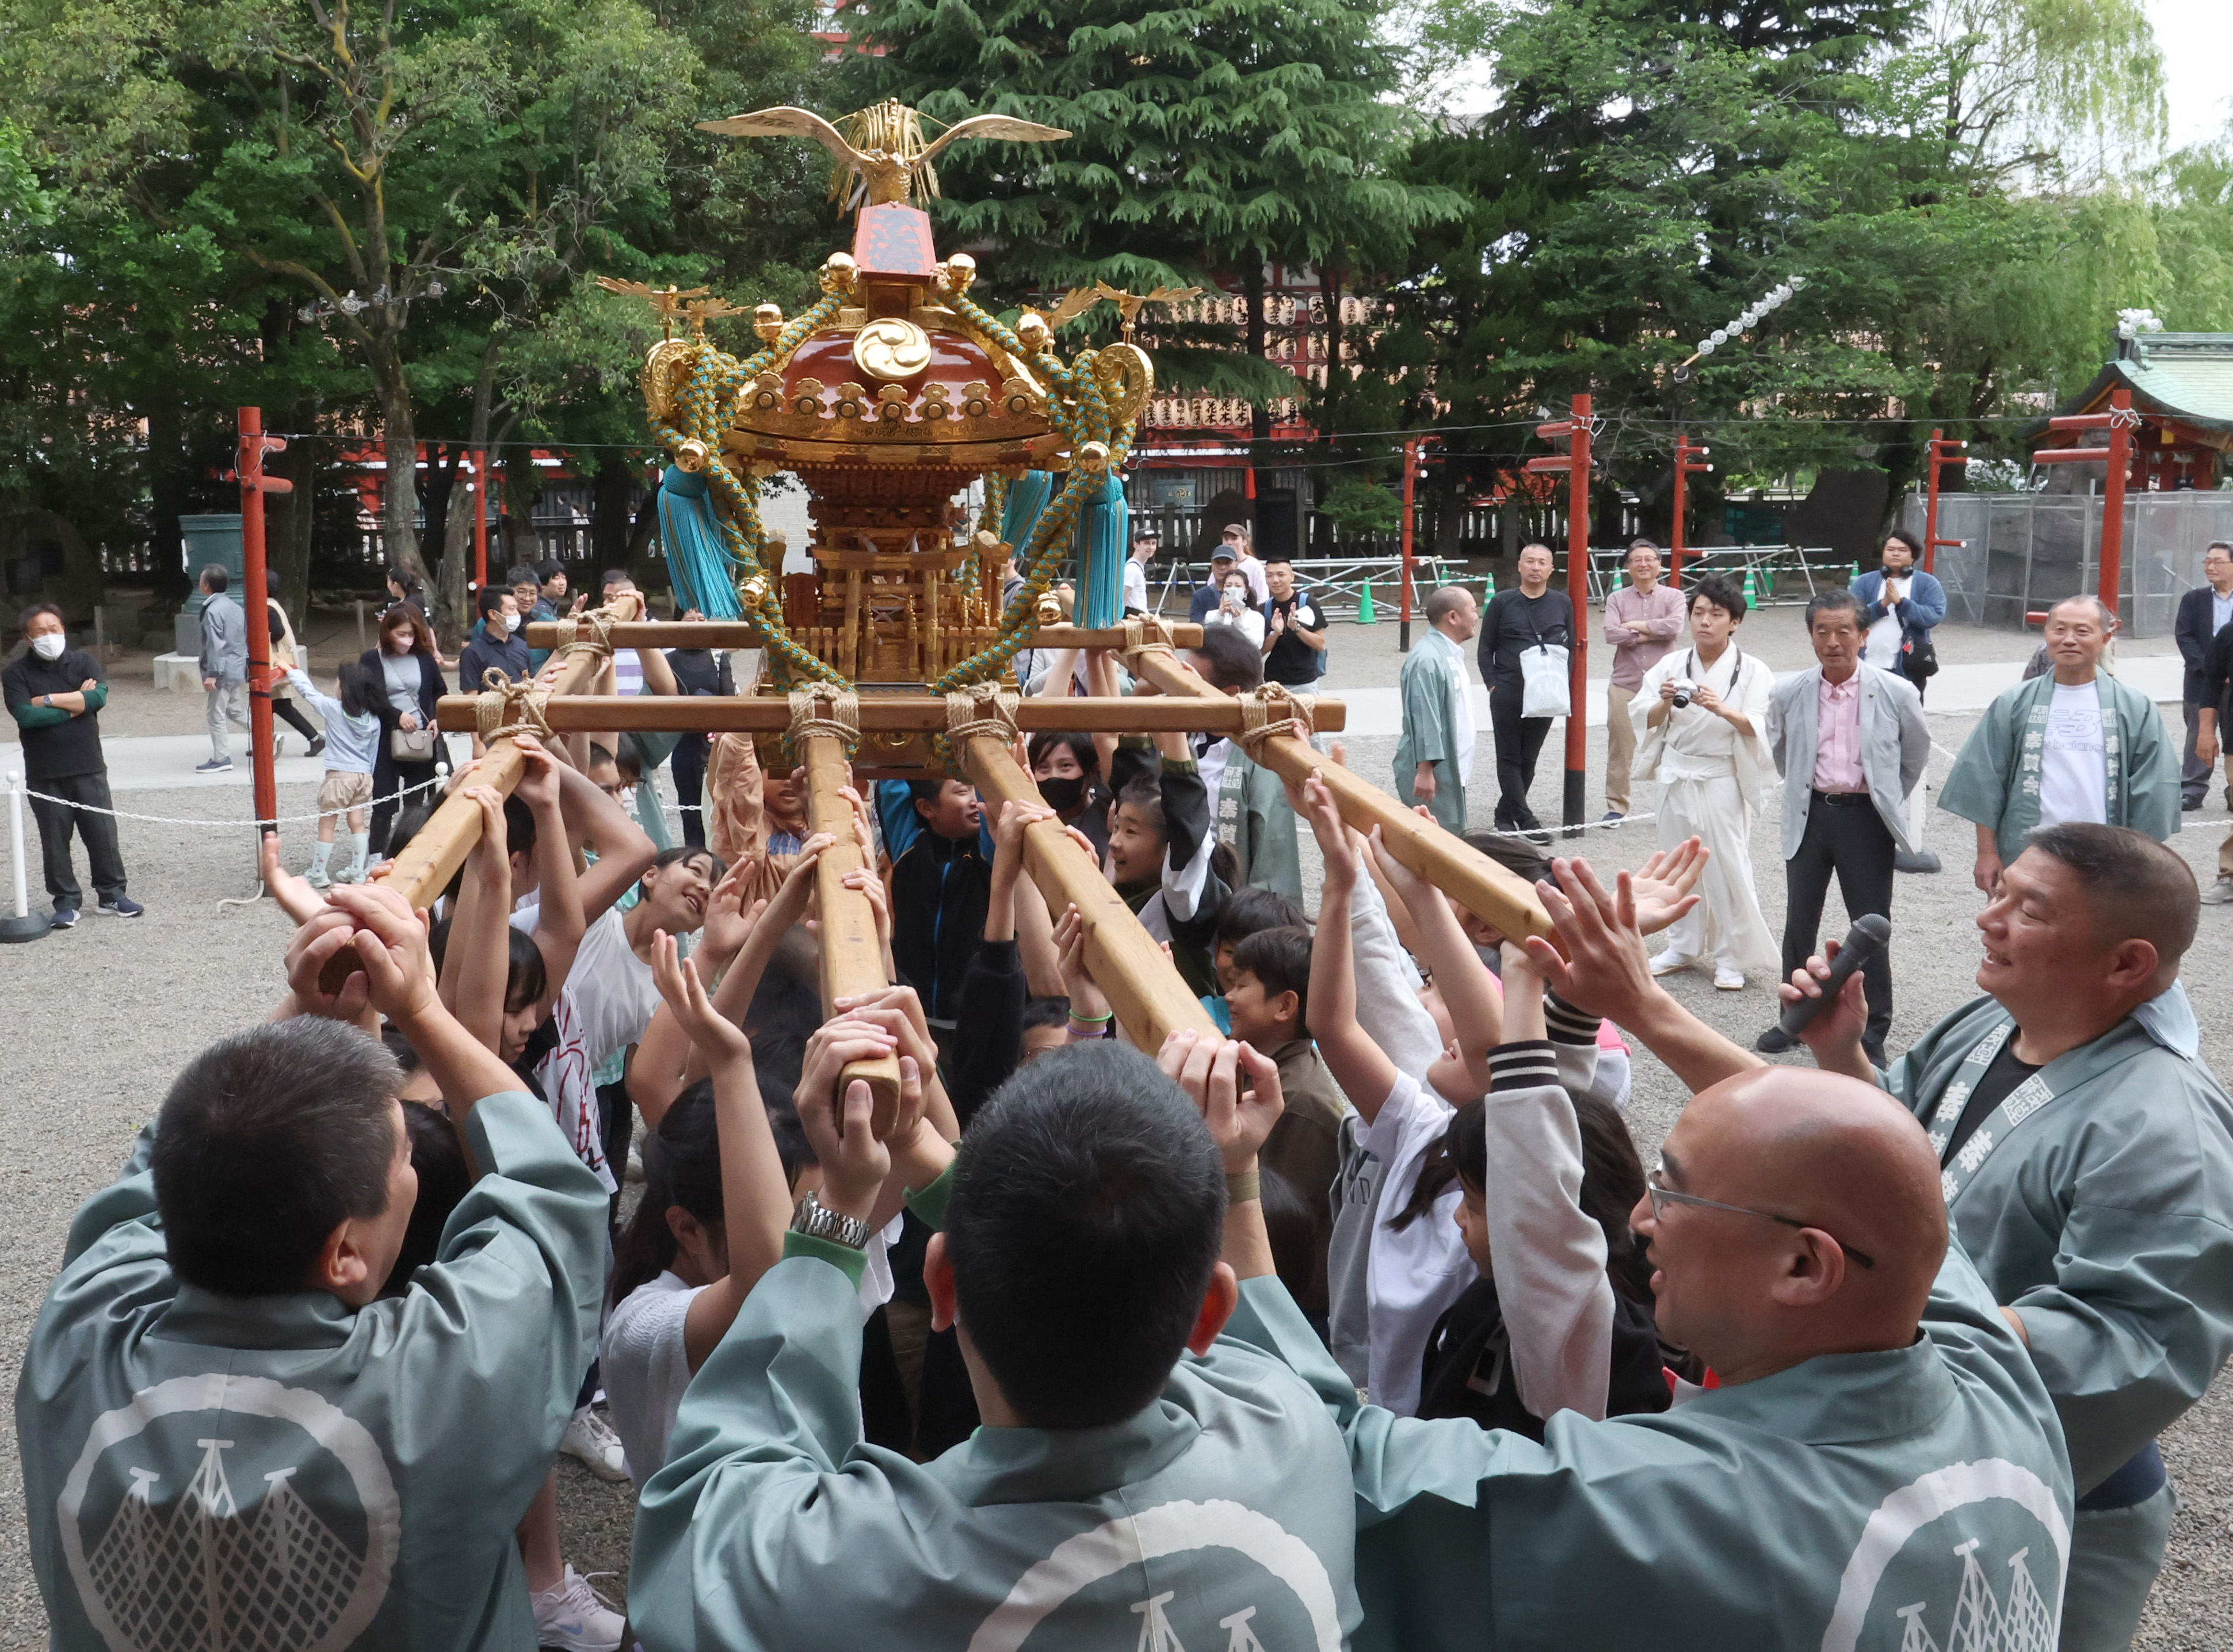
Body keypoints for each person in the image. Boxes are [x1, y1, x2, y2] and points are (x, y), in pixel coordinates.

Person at [18, 883, 612, 1650]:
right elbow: (552, 1195)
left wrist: (303, 1013)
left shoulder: (78, 1335)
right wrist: (425, 1012)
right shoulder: (444, 1378)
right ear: (344, 1251)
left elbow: (156, 1170)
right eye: (405, 1157)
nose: (410, 1167)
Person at [627, 1037, 1364, 1652]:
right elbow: (1280, 1359)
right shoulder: (1303, 1442)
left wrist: (836, 1214)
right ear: (1210, 1316)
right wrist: (1235, 1172)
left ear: (942, 1287)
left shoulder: (850, 1571)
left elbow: (701, 1529)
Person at [1777, 823, 2233, 1649]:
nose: (1989, 918)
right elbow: (1901, 1149)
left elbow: (2134, 1336)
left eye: (2030, 909)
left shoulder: (2166, 1126)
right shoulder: (1985, 1025)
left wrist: (1900, 1305)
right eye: (1999, 892)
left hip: (2062, 1483)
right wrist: (1841, 1053)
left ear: (2127, 962)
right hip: (1919, 1435)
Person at [1757, 590, 1929, 1063]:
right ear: (1810, 635)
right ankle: (1793, 1018)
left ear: (1863, 634)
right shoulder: (1789, 691)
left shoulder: (1895, 691)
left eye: (1843, 631)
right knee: (1799, 921)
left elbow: (1913, 754)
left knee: (1870, 921)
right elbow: (1781, 750)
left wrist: (1882, 795)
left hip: (1865, 816)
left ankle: (1872, 1030)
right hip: (1810, 813)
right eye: (1821, 631)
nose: (1832, 642)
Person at [1941, 594, 2180, 894]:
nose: (2069, 640)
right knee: (2024, 932)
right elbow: (1986, 779)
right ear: (2046, 635)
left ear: (2105, 638)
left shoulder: (2134, 706)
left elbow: (2155, 787)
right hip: (2029, 849)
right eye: (2059, 630)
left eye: (2082, 631)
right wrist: (1987, 853)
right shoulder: (2014, 702)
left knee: (2097, 936)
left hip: (2105, 853)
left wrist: (2140, 858)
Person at [1632, 574, 1779, 990]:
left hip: (1718, 777)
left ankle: (1731, 955)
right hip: (1676, 773)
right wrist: (1662, 701)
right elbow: (1641, 713)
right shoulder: (1671, 664)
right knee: (1674, 863)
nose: (1705, 622)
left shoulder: (1752, 670)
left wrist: (1722, 709)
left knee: (1727, 865)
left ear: (1734, 622)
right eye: (1698, 613)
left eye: (1716, 614)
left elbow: (1763, 724)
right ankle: (1681, 944)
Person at [5, 602, 139, 924]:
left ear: (64, 629)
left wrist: (49, 700)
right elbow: (25, 715)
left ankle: (113, 894)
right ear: (27, 638)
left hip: (89, 764)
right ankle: (65, 902)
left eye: (55, 629)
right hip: (45, 771)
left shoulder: (84, 662)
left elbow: (98, 699)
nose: (50, 636)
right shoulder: (15, 673)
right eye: (41, 632)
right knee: (55, 840)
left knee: (103, 834)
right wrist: (75, 704)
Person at [1852, 529, 1947, 872]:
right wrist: (1882, 605)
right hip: (1866, 663)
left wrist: (1903, 604)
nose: (1894, 553)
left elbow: (1934, 615)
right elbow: (1852, 615)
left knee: (1907, 727)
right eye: (1890, 548)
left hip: (1907, 668)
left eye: (1901, 549)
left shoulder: (1926, 583)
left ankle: (1907, 776)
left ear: (1913, 555)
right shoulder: (1865, 582)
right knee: (1860, 719)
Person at [1477, 541, 1572, 832]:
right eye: (1530, 561)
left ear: (1551, 569)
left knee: (1529, 757)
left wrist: (1563, 684)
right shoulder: (1502, 602)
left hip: (1545, 691)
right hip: (1507, 688)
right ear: (1519, 566)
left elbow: (1573, 648)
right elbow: (1485, 647)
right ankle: (1527, 819)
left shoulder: (1562, 603)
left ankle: (1505, 814)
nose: (1536, 567)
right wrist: (1492, 684)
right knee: (1508, 755)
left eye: (1542, 562)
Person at [890, 777, 991, 1027]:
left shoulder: (990, 852)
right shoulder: (908, 844)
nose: (975, 801)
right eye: (962, 792)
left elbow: (994, 800)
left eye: (976, 790)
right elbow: (890, 778)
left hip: (976, 1015)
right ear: (926, 808)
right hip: (910, 1010)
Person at [1601, 538, 1683, 823]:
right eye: (1637, 560)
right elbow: (1611, 634)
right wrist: (1652, 633)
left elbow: (1675, 628)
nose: (1644, 564)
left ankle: (1671, 806)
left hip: (1665, 685)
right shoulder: (1616, 599)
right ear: (1628, 567)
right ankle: (1616, 807)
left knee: (1671, 744)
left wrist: (1634, 627)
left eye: (1650, 559)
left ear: (1660, 565)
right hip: (1626, 682)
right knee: (1620, 747)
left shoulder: (1674, 597)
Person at [282, 659, 383, 886]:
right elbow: (373, 753)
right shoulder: (373, 720)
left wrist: (292, 671)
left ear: (345, 688)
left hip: (339, 776)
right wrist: (370, 777)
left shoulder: (333, 709)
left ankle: (318, 872)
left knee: (327, 823)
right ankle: (358, 871)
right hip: (364, 777)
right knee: (358, 822)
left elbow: (309, 692)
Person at [359, 606, 446, 856]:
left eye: (411, 634)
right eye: (401, 634)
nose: (407, 639)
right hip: (386, 737)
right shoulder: (371, 659)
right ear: (388, 632)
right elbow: (368, 696)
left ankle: (411, 850)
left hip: (421, 735)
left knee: (416, 798)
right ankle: (377, 854)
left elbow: (440, 691)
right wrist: (396, 716)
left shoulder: (425, 659)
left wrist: (438, 718)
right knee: (383, 800)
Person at [1395, 585, 1479, 834]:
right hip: (1434, 770)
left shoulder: (1445, 653)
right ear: (1453, 617)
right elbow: (1424, 716)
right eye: (1473, 610)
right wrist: (1424, 769)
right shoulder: (1428, 658)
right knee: (1439, 842)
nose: (1476, 616)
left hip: (1447, 765)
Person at [2173, 540, 2233, 812]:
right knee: (2199, 734)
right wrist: (2213, 670)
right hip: (2200, 679)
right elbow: (2185, 638)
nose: (2210, 566)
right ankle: (2192, 789)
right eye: (2207, 561)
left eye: (2218, 561)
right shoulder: (2194, 599)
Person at [667, 623, 736, 850]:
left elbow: (729, 700)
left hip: (715, 742)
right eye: (690, 618)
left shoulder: (718, 657)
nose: (697, 624)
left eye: (701, 619)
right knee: (690, 810)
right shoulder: (669, 660)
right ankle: (695, 861)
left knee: (719, 808)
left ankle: (719, 858)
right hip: (683, 742)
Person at [264, 569, 326, 758]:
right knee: (275, 705)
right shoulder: (273, 604)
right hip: (280, 660)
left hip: (274, 661)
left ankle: (313, 738)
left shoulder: (266, 607)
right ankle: (266, 743)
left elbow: (277, 632)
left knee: (275, 704)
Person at [195, 562, 249, 775]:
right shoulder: (235, 607)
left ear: (206, 585)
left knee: (215, 714)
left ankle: (221, 758)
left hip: (222, 670)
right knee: (235, 710)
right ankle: (268, 736)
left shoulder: (213, 611)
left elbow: (215, 645)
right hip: (236, 666)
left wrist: (213, 674)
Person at [1262, 555, 1328, 687]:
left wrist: (1297, 628)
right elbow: (1261, 651)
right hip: (1273, 680)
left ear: (1292, 577)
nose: (1275, 580)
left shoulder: (1308, 603)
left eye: (1281, 575)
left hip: (1304, 680)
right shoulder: (1265, 608)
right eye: (1270, 576)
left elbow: (1320, 644)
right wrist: (1276, 633)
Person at [457, 585, 529, 696]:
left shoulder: (522, 646)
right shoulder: (473, 653)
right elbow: (470, 698)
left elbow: (530, 682)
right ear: (493, 614)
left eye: (516, 608)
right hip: (492, 712)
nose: (517, 614)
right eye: (511, 609)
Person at [1204, 566, 1266, 646]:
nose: (1233, 589)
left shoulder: (1256, 618)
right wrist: (1220, 616)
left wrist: (1238, 621)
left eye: (1238, 586)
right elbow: (1209, 641)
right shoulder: (1211, 615)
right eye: (1228, 586)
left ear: (1246, 592)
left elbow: (1257, 645)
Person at [1189, 544, 1238, 623]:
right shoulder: (1200, 596)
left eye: (1227, 563)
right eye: (1218, 563)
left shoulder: (1246, 594)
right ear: (1212, 565)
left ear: (1236, 565)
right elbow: (1196, 629)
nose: (1222, 567)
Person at [1123, 527, 1154, 615]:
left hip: (1138, 615)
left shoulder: (1137, 567)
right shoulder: (1132, 569)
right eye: (1147, 543)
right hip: (1132, 615)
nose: (1151, 547)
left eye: (1154, 543)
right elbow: (1123, 597)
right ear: (1136, 545)